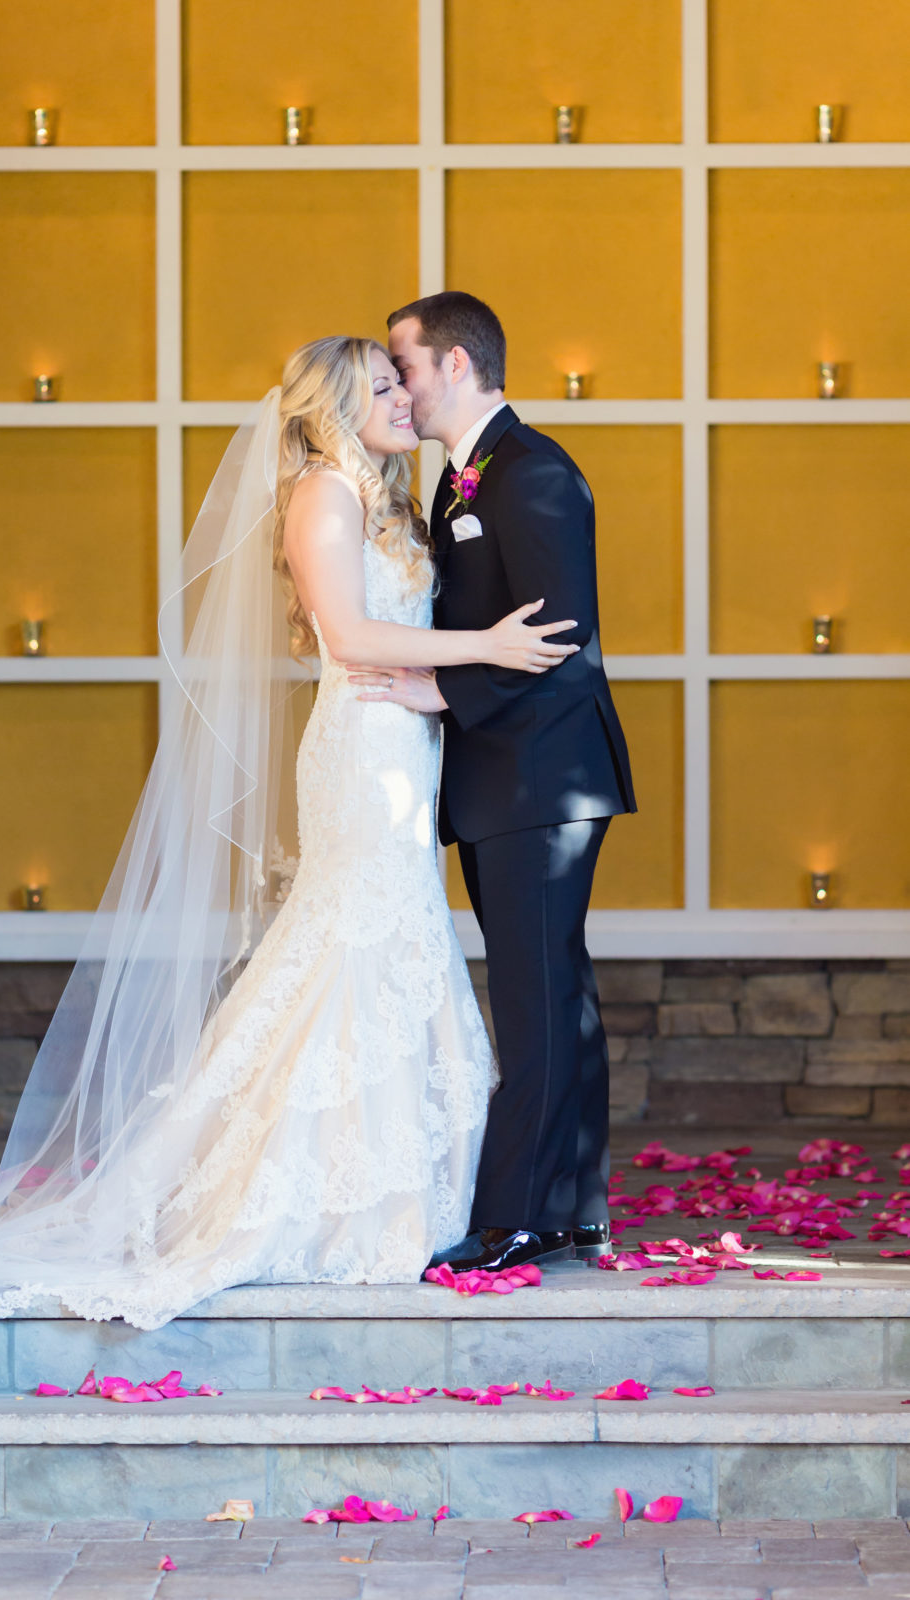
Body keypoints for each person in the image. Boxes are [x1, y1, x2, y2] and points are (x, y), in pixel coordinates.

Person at [0, 335, 578, 1330]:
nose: (400, 400)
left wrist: (449, 685)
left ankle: (406, 1191)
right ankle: (316, 1201)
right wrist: (485, 648)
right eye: (377, 389)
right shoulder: (324, 492)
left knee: (383, 943)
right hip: (363, 754)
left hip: (406, 744)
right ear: (329, 409)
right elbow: (352, 637)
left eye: (398, 383)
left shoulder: (392, 496)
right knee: (352, 942)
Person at [351, 292, 636, 1274]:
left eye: (406, 363)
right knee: (559, 996)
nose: (396, 382)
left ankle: (513, 1216)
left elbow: (558, 637)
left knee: (533, 998)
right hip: (500, 779)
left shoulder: (533, 470)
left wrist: (436, 688)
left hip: (542, 779)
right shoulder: (457, 483)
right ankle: (570, 1211)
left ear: (458, 364)